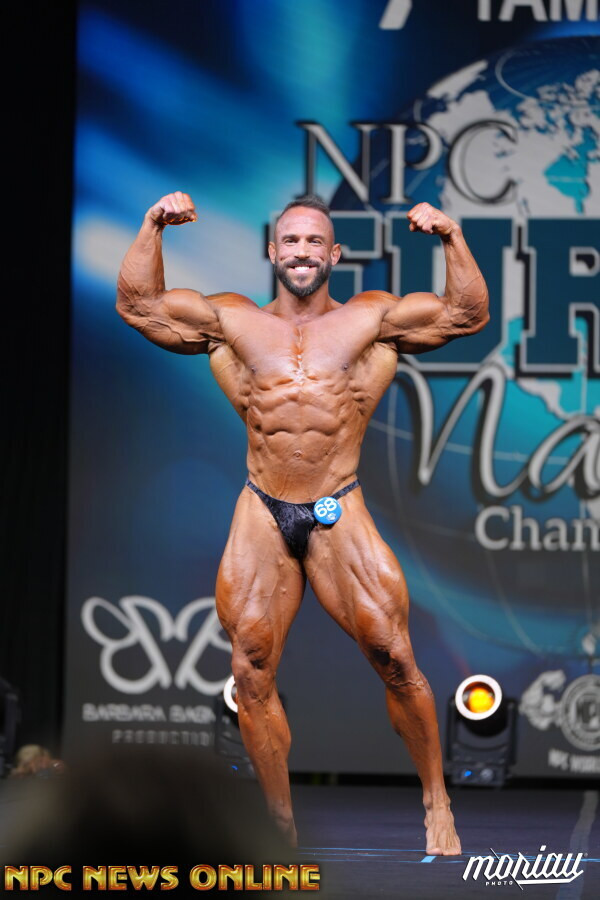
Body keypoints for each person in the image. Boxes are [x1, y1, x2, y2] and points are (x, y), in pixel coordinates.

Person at [116, 192, 489, 855]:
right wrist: (152, 226)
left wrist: (450, 235)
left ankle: (437, 799)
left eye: (315, 242)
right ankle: (279, 824)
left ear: (334, 254)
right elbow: (139, 307)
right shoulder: (232, 319)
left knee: (395, 655)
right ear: (273, 251)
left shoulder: (370, 318)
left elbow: (467, 313)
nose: (302, 252)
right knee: (251, 669)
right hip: (261, 506)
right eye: (291, 241)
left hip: (336, 503)